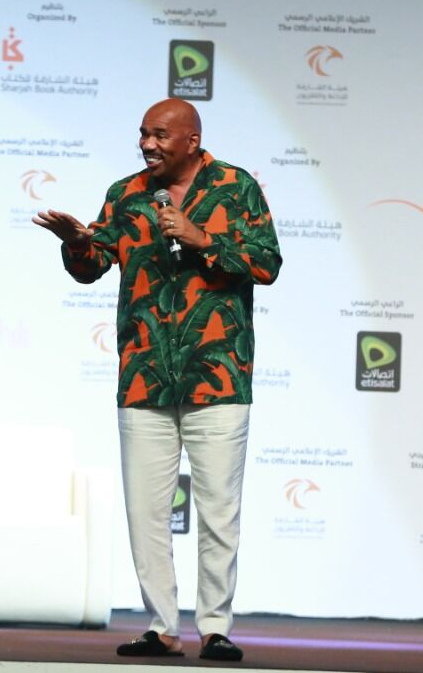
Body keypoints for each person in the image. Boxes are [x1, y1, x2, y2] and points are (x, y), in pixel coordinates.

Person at [34, 97, 281, 662]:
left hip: (218, 376)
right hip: (144, 375)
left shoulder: (236, 187)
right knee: (146, 511)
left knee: (218, 510)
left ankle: (214, 628)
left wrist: (203, 240)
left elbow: (267, 263)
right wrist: (77, 241)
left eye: (160, 135)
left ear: (192, 140)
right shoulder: (126, 194)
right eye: (143, 134)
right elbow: (92, 266)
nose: (148, 144)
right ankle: (162, 627)